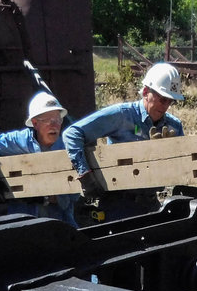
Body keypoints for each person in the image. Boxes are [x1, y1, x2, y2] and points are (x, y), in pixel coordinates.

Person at [63, 62, 186, 220]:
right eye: (162, 99)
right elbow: (72, 134)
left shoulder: (173, 126)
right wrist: (85, 175)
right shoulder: (122, 116)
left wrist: (168, 153)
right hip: (117, 205)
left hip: (150, 204)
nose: (166, 106)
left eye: (170, 101)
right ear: (146, 92)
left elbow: (182, 166)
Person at [0, 91, 77, 226]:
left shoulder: (67, 146)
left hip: (60, 220)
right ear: (35, 123)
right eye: (48, 121)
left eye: (57, 120)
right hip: (24, 220)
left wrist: (46, 198)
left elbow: (76, 194)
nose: (54, 125)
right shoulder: (19, 140)